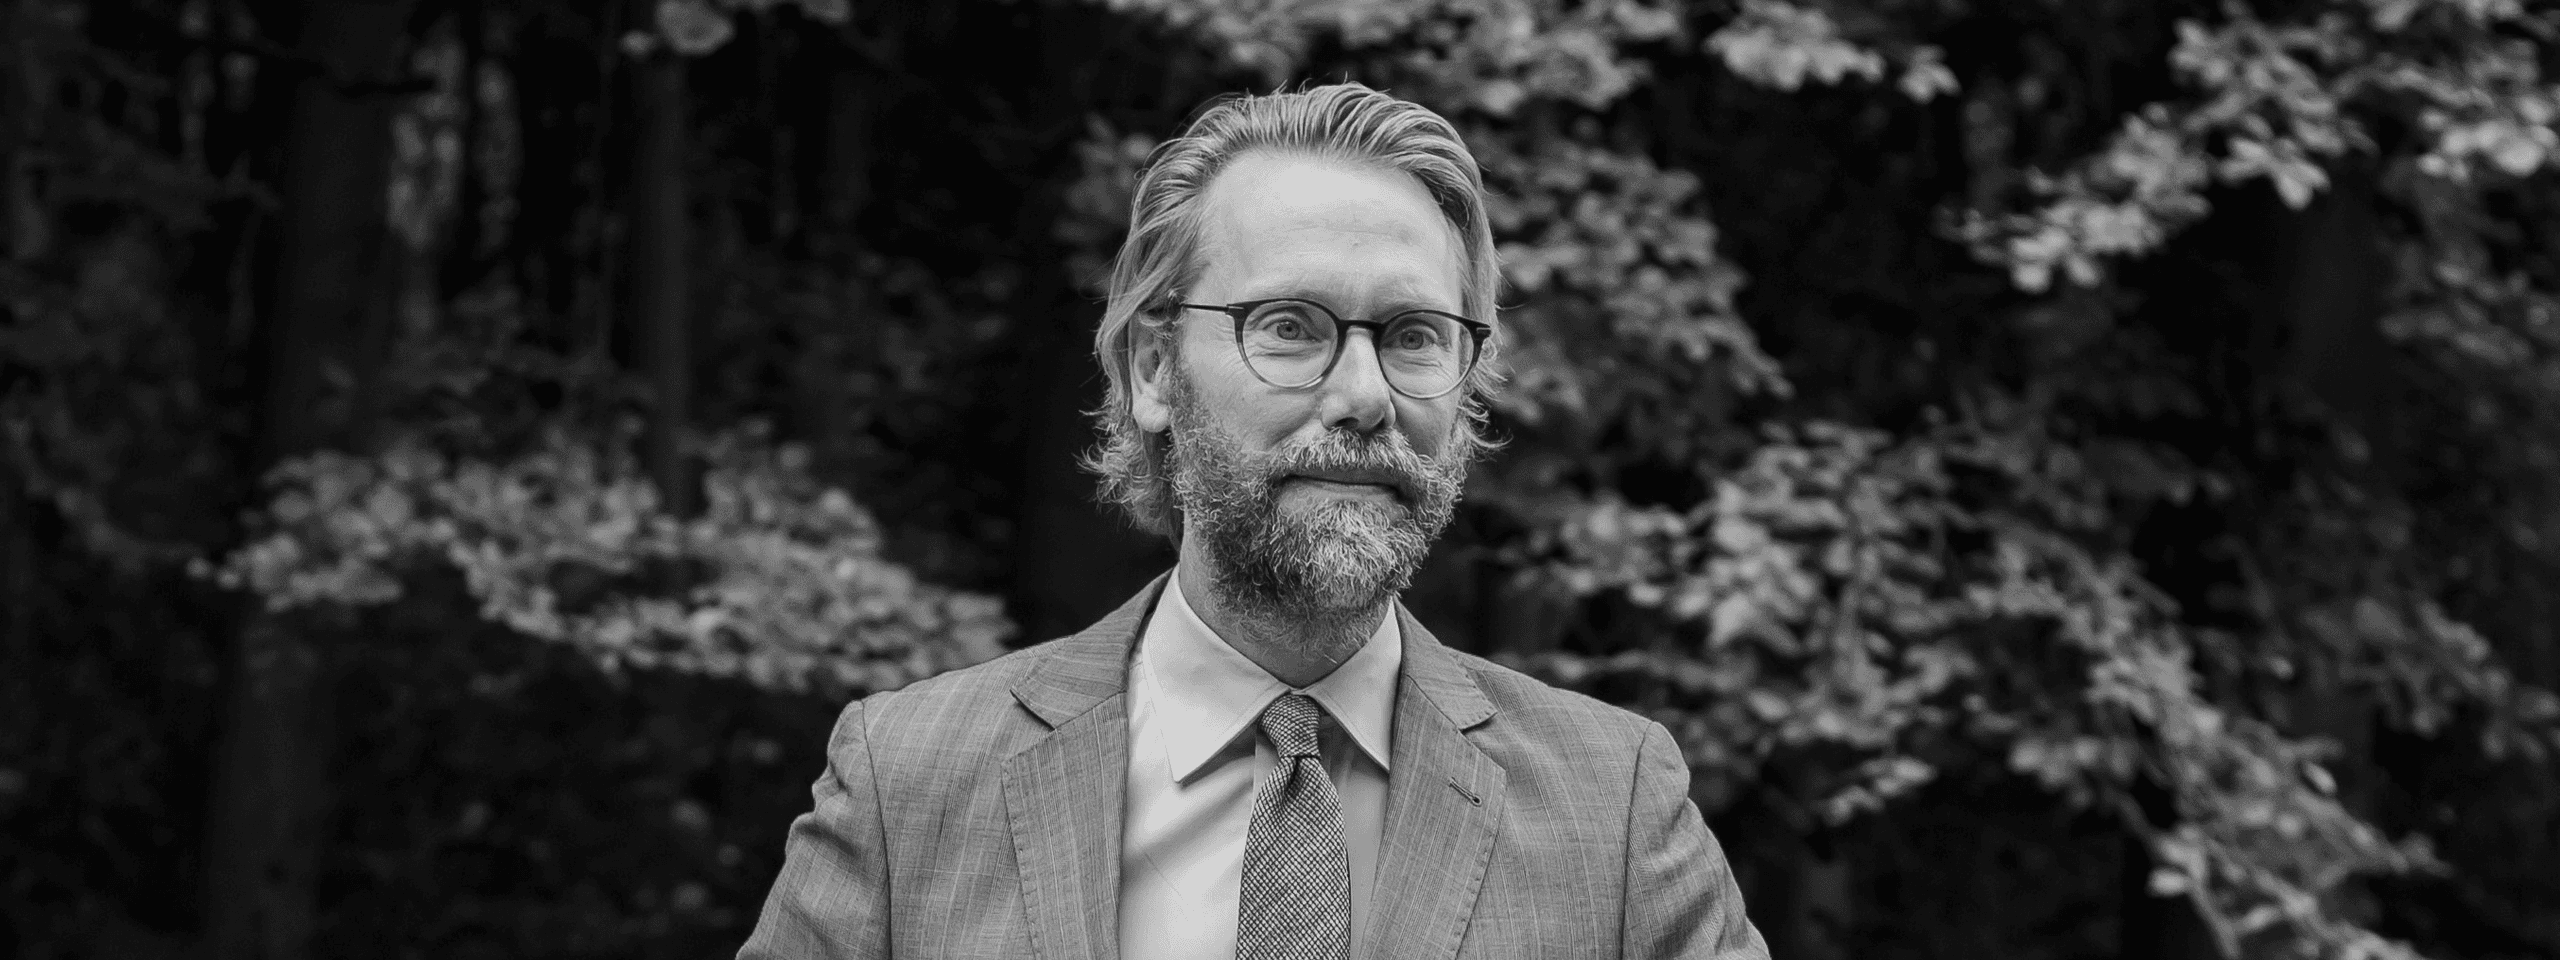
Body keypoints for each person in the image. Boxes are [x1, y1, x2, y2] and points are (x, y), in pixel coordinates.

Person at [737, 82, 1770, 960]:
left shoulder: (1614, 807)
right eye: (1289, 327)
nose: (1364, 396)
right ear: (1153, 369)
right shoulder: (908, 783)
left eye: (1414, 335)